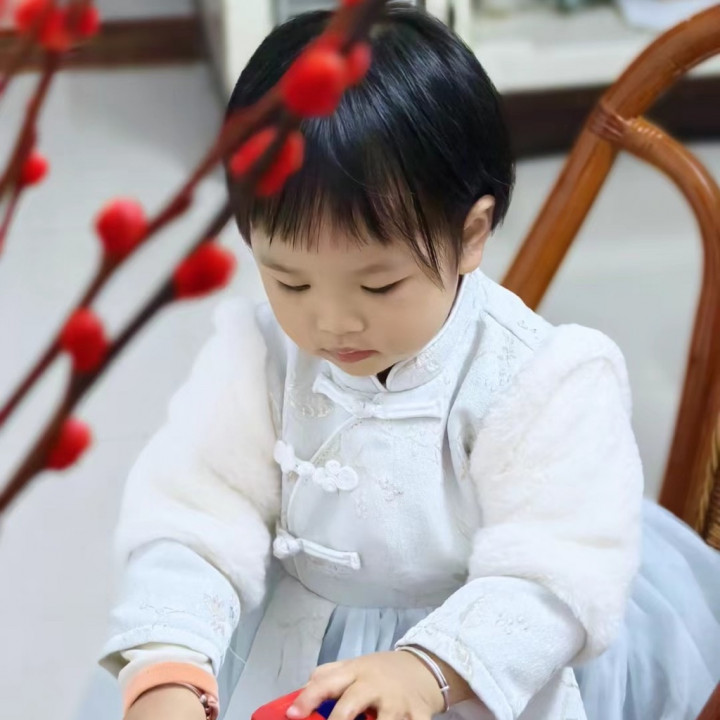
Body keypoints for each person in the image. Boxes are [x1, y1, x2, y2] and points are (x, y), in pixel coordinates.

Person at [99, 5, 720, 720]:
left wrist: (430, 671)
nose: (331, 322)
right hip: (296, 631)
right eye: (290, 281)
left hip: (480, 655)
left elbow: (554, 568)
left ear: (471, 235)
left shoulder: (541, 380)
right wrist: (170, 667)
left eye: (378, 285)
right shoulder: (258, 354)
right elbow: (196, 515)